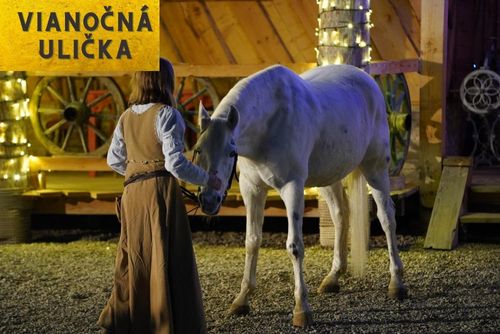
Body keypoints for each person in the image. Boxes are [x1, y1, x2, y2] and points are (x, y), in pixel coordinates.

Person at [98, 58, 221, 334]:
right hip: (159, 195)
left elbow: (114, 160)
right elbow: (174, 164)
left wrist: (136, 173)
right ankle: (167, 322)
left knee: (136, 255)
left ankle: (133, 320)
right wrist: (207, 179)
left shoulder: (126, 116)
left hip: (132, 194)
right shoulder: (166, 114)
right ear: (165, 81)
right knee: (165, 255)